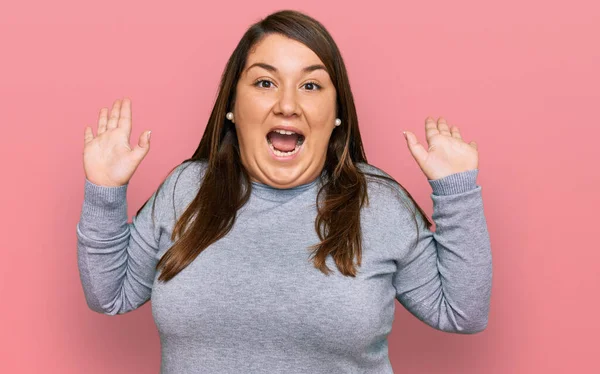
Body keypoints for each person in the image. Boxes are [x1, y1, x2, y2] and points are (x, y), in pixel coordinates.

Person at [76, 9, 492, 374]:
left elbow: (461, 313)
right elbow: (111, 295)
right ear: (233, 107)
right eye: (264, 83)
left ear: (337, 114)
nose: (287, 105)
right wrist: (105, 192)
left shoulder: (379, 203)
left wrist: (456, 193)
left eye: (311, 86)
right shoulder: (185, 190)